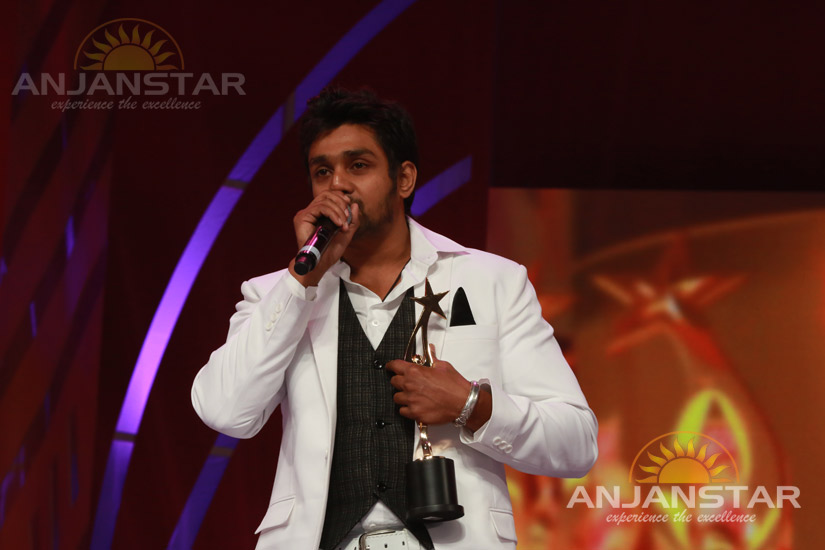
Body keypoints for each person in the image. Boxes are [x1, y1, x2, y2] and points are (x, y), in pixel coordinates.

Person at [191, 87, 598, 550]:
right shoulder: (277, 293)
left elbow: (576, 442)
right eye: (322, 172)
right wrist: (302, 283)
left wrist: (471, 405)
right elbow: (225, 411)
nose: (338, 185)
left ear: (404, 179)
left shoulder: (493, 281)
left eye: (358, 166)